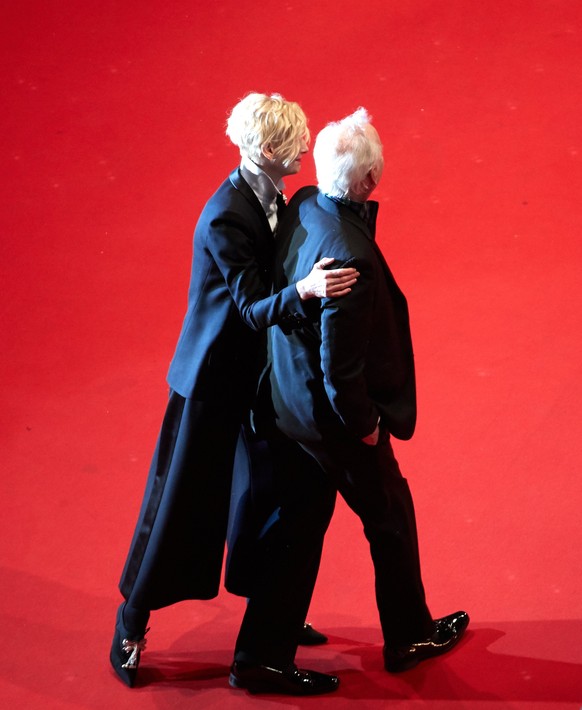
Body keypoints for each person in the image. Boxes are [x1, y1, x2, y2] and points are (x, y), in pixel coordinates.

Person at [109, 93, 357, 692]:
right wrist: (307, 289)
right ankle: (130, 623)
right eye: (296, 140)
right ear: (269, 151)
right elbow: (248, 309)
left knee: (264, 498)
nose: (305, 147)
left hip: (256, 382)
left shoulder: (273, 199)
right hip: (209, 387)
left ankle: (272, 615)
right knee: (175, 512)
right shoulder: (225, 215)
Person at [249, 107, 469, 679]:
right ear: (369, 181)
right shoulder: (350, 258)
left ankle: (262, 657)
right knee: (390, 514)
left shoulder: (304, 205)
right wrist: (366, 426)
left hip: (288, 404)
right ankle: (409, 637)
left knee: (298, 526)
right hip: (331, 421)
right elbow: (340, 369)